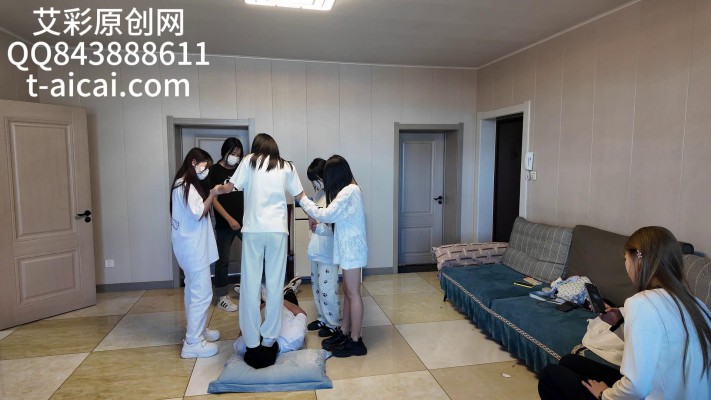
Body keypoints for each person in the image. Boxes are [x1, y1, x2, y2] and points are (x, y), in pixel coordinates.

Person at [538, 226, 711, 400]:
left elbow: (637, 387)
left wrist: (604, 394)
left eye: (626, 259)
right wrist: (619, 321)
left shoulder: (642, 303)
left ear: (638, 259)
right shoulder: (696, 305)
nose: (626, 266)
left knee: (550, 376)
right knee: (569, 362)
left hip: (649, 394)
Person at [222, 133, 304, 356]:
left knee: (250, 284)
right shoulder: (287, 166)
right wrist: (314, 214)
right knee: (276, 284)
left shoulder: (249, 161)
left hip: (254, 230)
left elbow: (230, 188)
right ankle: (269, 339)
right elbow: (300, 196)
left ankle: (251, 340)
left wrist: (214, 190)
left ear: (256, 147)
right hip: (277, 230)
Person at [295, 155, 368, 357]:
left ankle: (356, 341)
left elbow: (327, 214)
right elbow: (333, 221)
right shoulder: (348, 190)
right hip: (347, 249)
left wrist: (302, 198)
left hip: (352, 250)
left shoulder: (350, 191)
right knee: (348, 290)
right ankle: (344, 331)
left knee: (353, 293)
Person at [170, 148, 229, 358]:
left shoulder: (184, 184)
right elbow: (198, 213)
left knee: (193, 292)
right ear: (194, 162)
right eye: (205, 165)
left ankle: (198, 330)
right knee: (202, 294)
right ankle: (193, 342)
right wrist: (213, 194)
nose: (207, 170)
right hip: (192, 248)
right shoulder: (185, 186)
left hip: (190, 247)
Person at [207, 137, 245, 312]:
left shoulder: (240, 169)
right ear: (225, 151)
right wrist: (229, 219)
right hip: (224, 223)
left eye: (238, 153)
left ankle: (250, 287)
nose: (235, 156)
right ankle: (222, 295)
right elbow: (213, 199)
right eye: (233, 152)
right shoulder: (214, 171)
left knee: (253, 255)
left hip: (245, 222)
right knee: (222, 259)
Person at [304, 158, 340, 338]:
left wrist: (317, 227)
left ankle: (333, 323)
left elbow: (334, 227)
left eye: (316, 179)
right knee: (317, 288)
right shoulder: (319, 194)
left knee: (328, 290)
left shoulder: (336, 196)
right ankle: (322, 318)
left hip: (328, 251)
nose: (315, 183)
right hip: (316, 249)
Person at [234, 285, 308, 369]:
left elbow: (245, 324)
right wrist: (278, 301)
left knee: (253, 302)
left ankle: (258, 292)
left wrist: (262, 306)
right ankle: (289, 290)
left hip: (262, 309)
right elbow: (301, 313)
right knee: (290, 298)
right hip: (285, 307)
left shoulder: (242, 346)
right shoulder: (293, 338)